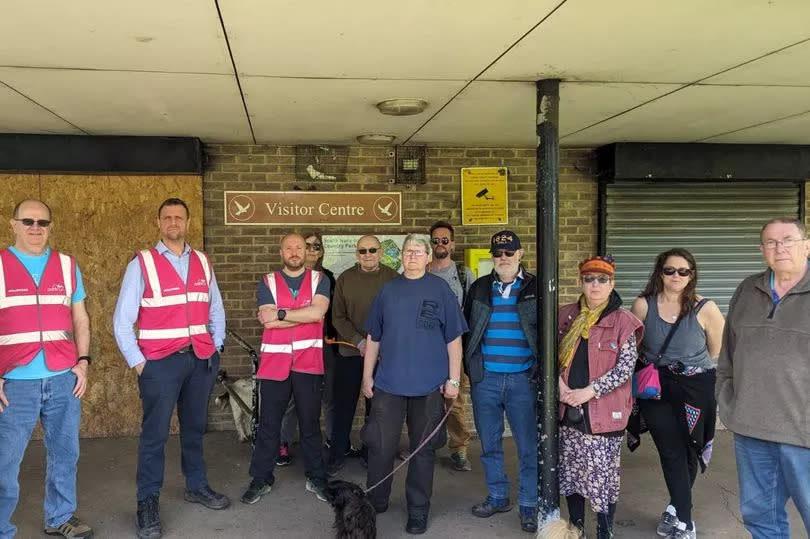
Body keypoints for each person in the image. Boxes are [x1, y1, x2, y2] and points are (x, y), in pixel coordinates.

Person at [113, 198, 228, 539]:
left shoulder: (203, 262)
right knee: (155, 436)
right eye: (167, 218)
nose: (173, 222)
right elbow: (122, 321)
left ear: (187, 222)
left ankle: (196, 485)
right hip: (159, 364)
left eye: (179, 217)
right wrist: (140, 365)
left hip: (200, 360)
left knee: (194, 429)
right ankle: (147, 503)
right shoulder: (142, 263)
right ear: (159, 223)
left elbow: (216, 308)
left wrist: (216, 347)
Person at [362, 234, 466, 535]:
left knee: (423, 451)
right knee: (381, 445)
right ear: (401, 256)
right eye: (408, 251)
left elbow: (453, 339)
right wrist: (367, 376)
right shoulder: (387, 291)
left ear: (428, 256)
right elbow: (374, 337)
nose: (412, 256)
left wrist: (454, 378)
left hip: (429, 386)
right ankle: (376, 499)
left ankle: (418, 509)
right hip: (389, 385)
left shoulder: (441, 289)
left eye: (418, 251)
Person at [0, 199, 93, 539]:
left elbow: (80, 317)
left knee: (65, 454)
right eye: (28, 221)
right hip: (13, 382)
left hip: (62, 378)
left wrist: (83, 362)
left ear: (51, 226)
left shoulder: (68, 266)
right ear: (13, 224)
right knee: (4, 462)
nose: (35, 228)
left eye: (42, 222)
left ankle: (60, 517)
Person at [717, 216, 810, 538]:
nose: (779, 248)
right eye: (771, 242)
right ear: (762, 250)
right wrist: (728, 401)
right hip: (751, 430)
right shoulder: (748, 289)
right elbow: (728, 352)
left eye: (788, 240)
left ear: (807, 246)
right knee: (760, 518)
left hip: (804, 435)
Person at [630, 248, 725, 539]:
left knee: (690, 449)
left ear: (692, 274)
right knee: (671, 451)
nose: (676, 276)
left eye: (683, 271)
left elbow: (716, 350)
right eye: (670, 270)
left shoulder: (705, 308)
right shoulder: (643, 306)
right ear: (660, 272)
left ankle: (675, 507)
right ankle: (685, 521)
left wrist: (686, 371)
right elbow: (634, 348)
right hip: (656, 389)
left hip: (695, 390)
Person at [241, 233, 330, 505]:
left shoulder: (320, 280)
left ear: (307, 252)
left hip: (308, 363)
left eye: (299, 248)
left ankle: (316, 477)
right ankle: (261, 478)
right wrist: (302, 314)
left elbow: (317, 314)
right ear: (281, 252)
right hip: (274, 365)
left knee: (310, 424)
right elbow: (268, 322)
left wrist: (281, 313)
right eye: (289, 248)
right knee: (268, 424)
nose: (294, 252)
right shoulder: (267, 281)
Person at [557, 255, 642, 539]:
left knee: (602, 480)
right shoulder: (565, 316)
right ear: (581, 282)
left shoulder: (624, 322)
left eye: (602, 279)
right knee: (572, 474)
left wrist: (587, 392)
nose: (595, 285)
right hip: (568, 409)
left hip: (604, 413)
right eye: (589, 279)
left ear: (612, 283)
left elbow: (625, 368)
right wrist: (560, 386)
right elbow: (550, 356)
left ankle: (605, 532)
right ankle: (577, 528)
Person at [464, 230, 539, 533]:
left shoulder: (536, 287)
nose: (503, 258)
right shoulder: (480, 288)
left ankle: (529, 504)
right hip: (488, 380)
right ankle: (497, 496)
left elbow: (548, 330)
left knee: (527, 445)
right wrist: (473, 370)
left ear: (520, 254)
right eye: (498, 253)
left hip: (523, 379)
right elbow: (467, 329)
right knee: (489, 443)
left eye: (509, 253)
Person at [327, 235, 398, 475]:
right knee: (343, 406)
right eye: (362, 251)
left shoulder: (393, 279)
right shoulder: (345, 279)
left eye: (372, 250)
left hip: (382, 356)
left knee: (376, 408)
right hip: (350, 352)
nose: (367, 255)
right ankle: (337, 454)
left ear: (380, 252)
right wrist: (359, 342)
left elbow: (398, 317)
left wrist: (377, 346)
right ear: (357, 254)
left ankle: (371, 453)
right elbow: (337, 317)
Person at [277, 231, 337, 466]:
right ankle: (283, 441)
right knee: (292, 397)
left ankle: (332, 440)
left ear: (322, 252)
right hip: (296, 346)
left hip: (325, 345)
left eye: (317, 246)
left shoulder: (329, 278)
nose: (312, 250)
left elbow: (331, 313)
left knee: (329, 397)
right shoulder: (285, 278)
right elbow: (281, 315)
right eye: (308, 245)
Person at [428, 220, 475, 472]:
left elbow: (473, 312)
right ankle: (425, 445)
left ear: (452, 244)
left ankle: (459, 448)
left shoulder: (464, 275)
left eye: (444, 240)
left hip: (454, 346)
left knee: (454, 399)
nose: (440, 244)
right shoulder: (421, 271)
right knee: (424, 399)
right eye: (435, 240)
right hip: (426, 346)